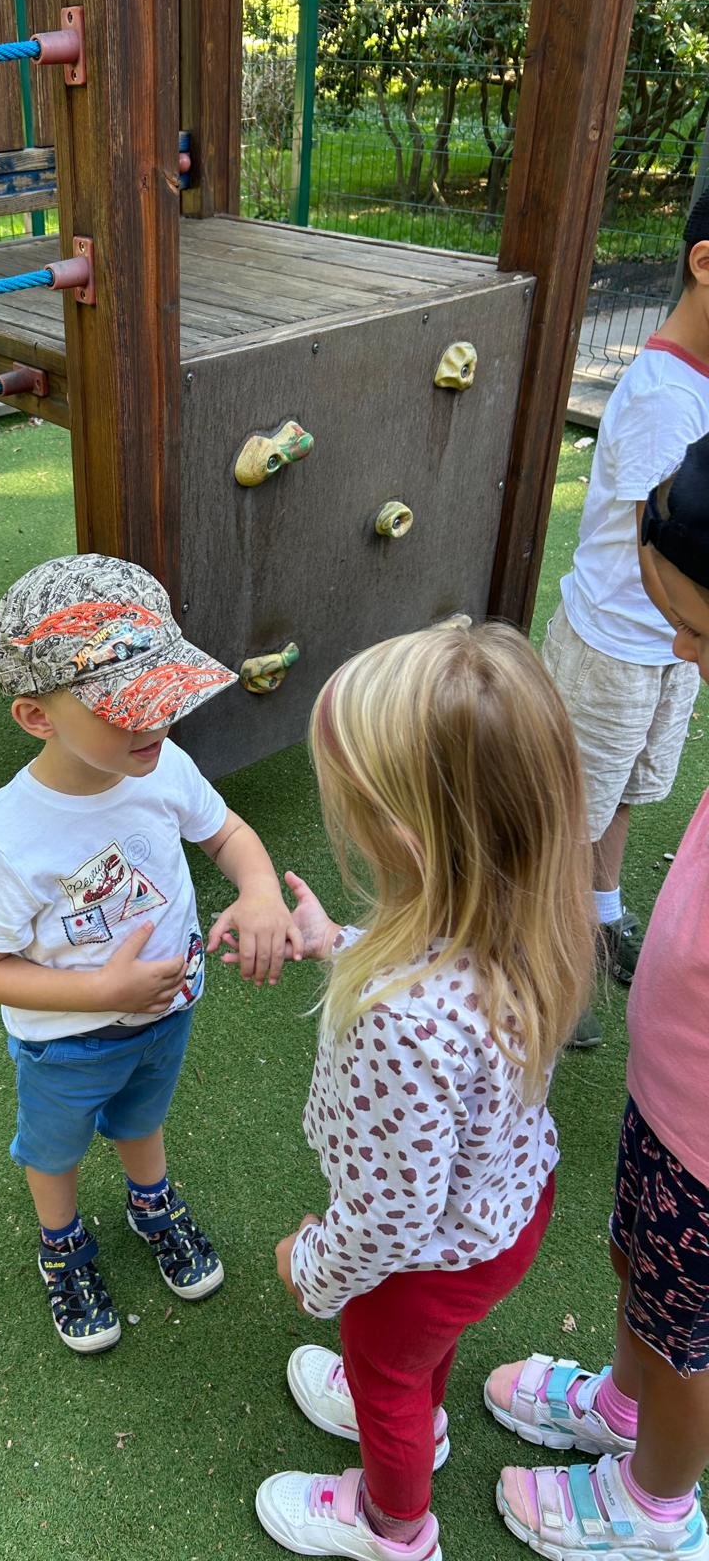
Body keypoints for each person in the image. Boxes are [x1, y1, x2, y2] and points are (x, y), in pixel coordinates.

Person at [246, 621, 594, 1561]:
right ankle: (412, 1408)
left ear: (403, 833)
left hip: (425, 1259)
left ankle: (394, 1527)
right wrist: (338, 943)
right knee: (412, 1357)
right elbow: (441, 975)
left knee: (386, 1376)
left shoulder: (396, 1023)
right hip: (506, 1211)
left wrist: (312, 1269)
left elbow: (390, 1219)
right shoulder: (528, 915)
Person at [0, 554, 302, 1354]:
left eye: (164, 696)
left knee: (144, 1118)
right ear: (36, 717)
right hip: (65, 1044)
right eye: (124, 707)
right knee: (55, 1150)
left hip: (166, 1011)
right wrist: (101, 992)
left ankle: (151, 1202)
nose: (154, 722)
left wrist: (259, 890)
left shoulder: (162, 764)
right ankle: (62, 1243)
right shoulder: (13, 837)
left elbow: (226, 832)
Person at [486, 434, 709, 1561]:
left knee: (688, 1340)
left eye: (700, 631)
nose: (679, 648)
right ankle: (624, 1409)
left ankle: (657, 1504)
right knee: (638, 1269)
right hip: (672, 1098)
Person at [542, 189, 709, 1048]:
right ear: (705, 264)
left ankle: (600, 915)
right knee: (571, 811)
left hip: (672, 648)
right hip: (613, 646)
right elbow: (656, 547)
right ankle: (552, 957)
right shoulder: (663, 398)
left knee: (625, 794)